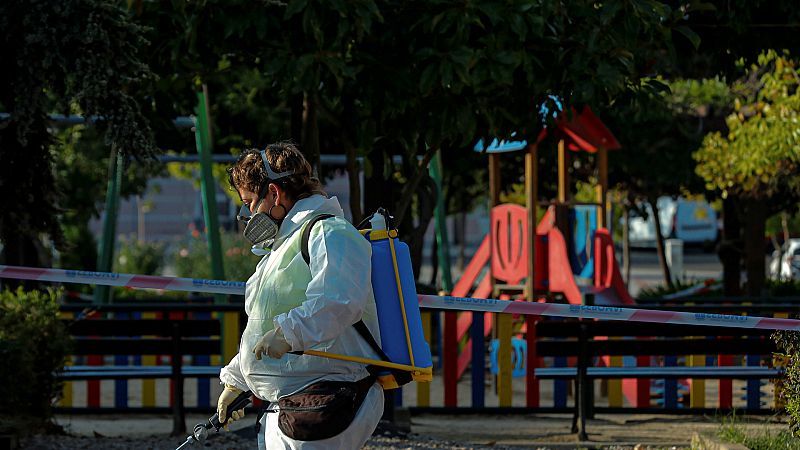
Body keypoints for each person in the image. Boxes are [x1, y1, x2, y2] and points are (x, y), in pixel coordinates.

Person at [218, 142, 384, 449]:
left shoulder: (331, 233)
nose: (247, 212)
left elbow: (339, 301)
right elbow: (263, 327)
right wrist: (236, 380)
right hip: (295, 403)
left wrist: (288, 332)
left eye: (251, 201)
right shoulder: (282, 249)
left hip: (330, 398)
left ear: (274, 194)